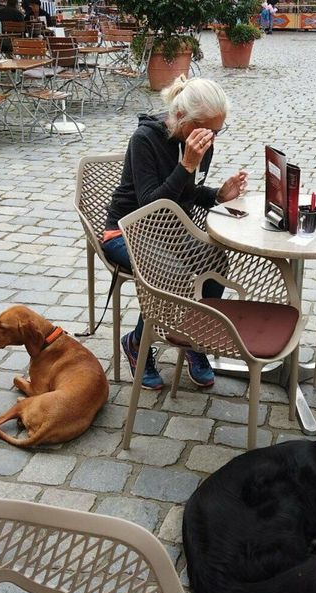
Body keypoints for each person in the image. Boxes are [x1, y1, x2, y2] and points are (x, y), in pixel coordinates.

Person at [103, 76, 248, 391]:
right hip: (127, 231)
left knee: (216, 261)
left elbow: (188, 193)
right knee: (173, 274)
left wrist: (218, 195)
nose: (212, 137)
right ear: (182, 117)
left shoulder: (198, 141)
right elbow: (150, 206)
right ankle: (137, 343)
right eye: (207, 129)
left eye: (217, 131)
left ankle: (195, 340)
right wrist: (186, 165)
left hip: (170, 231)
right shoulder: (145, 139)